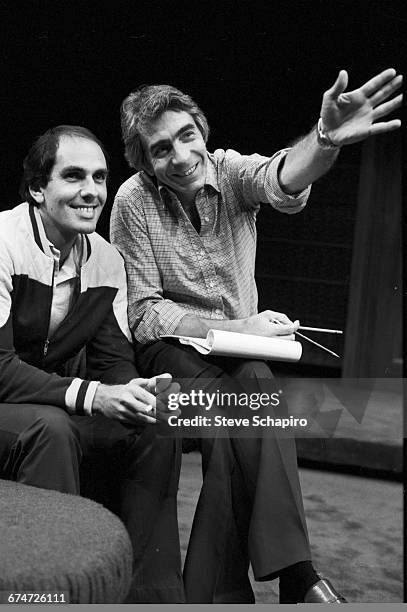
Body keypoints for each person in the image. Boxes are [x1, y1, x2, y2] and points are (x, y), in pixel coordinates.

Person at [110, 69, 402, 604]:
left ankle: (215, 593)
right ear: (142, 161)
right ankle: (297, 574)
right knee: (257, 392)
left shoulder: (229, 171)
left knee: (248, 396)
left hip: (239, 355)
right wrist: (237, 327)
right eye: (159, 149)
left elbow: (282, 179)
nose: (179, 156)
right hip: (169, 352)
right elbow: (145, 312)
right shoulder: (132, 201)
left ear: (202, 131)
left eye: (186, 135)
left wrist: (325, 137)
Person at [0, 125, 185, 603]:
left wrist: (140, 392)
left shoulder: (105, 258)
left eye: (100, 178)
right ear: (38, 188)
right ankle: (47, 595)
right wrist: (96, 396)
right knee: (51, 428)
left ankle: (141, 595)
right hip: (15, 406)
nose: (91, 191)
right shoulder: (3, 241)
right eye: (74, 176)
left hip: (42, 403)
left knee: (155, 425)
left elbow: (112, 361)